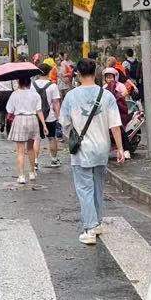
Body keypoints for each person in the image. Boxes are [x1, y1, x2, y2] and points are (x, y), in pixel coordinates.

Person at [58, 58, 124, 245]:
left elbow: (64, 123)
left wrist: (70, 135)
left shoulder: (71, 96)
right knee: (98, 187)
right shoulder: (107, 96)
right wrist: (119, 148)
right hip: (102, 149)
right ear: (95, 72)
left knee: (84, 189)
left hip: (82, 150)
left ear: (77, 73)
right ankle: (97, 223)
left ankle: (89, 229)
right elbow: (115, 125)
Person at [4, 73, 45, 184]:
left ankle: (21, 176)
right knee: (30, 148)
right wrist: (44, 125)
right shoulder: (35, 94)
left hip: (20, 119)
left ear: (19, 82)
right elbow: (39, 110)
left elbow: (9, 110)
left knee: (20, 151)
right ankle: (32, 172)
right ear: (30, 83)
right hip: (33, 119)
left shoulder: (15, 94)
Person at [34, 63, 63, 169]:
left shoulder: (33, 85)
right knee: (52, 138)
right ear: (49, 72)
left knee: (37, 139)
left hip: (36, 115)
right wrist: (59, 116)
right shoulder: (53, 86)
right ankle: (54, 160)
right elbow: (56, 103)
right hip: (50, 117)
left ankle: (35, 162)